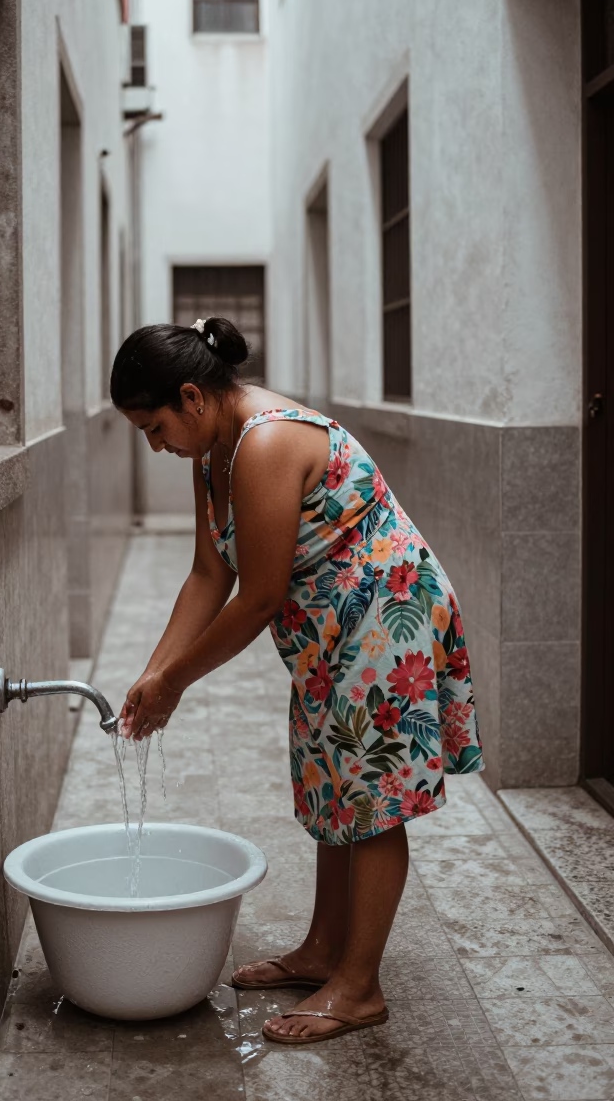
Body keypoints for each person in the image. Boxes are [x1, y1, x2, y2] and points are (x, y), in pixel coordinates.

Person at [109, 316, 485, 1046]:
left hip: (386, 616)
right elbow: (209, 574)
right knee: (331, 780)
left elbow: (258, 596)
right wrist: (155, 671)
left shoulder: (267, 443)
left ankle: (359, 988)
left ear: (192, 397)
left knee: (371, 798)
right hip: (328, 631)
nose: (155, 445)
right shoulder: (212, 452)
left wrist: (176, 683)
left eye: (155, 428)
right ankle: (322, 950)